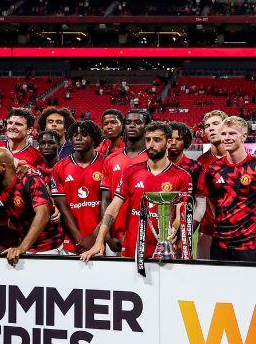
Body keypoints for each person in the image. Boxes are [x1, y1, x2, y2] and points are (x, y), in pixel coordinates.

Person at [83, 122, 198, 260]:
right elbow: (113, 207)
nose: (151, 144)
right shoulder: (131, 172)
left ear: (168, 143)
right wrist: (99, 240)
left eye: (157, 140)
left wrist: (170, 235)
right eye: (148, 140)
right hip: (133, 248)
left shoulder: (182, 176)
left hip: (166, 251)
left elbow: (181, 214)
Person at [199, 116, 256, 262]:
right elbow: (213, 203)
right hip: (220, 245)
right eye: (224, 134)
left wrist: (253, 232)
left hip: (250, 246)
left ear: (244, 136)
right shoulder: (213, 170)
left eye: (232, 133)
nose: (227, 138)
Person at [51, 121, 106, 254]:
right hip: (72, 241)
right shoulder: (60, 167)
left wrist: (94, 237)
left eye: (84, 135)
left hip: (102, 240)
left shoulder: (106, 163)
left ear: (94, 139)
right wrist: (79, 240)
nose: (78, 138)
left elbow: (109, 204)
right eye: (75, 135)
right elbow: (62, 208)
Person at [101, 109, 151, 249]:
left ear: (147, 127)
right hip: (114, 237)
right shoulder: (111, 159)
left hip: (144, 236)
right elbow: (106, 199)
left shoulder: (153, 159)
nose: (132, 126)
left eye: (138, 122)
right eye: (128, 122)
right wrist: (107, 236)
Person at [195, 110, 228, 258]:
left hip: (241, 232)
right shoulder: (200, 164)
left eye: (215, 124)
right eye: (207, 126)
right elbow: (200, 201)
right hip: (208, 231)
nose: (211, 128)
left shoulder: (242, 159)